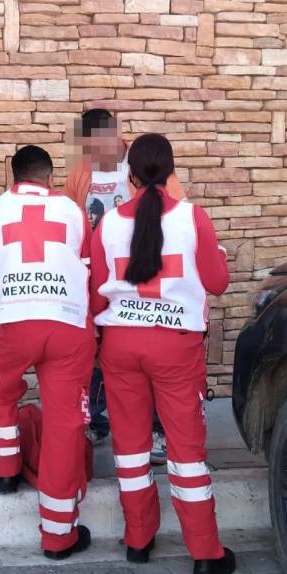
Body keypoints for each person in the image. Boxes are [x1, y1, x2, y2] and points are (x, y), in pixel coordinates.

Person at [90, 133, 236, 574]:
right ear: (170, 172)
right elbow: (218, 282)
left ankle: (138, 541)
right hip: (176, 349)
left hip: (120, 346)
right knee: (186, 452)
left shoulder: (109, 222)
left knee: (131, 449)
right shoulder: (193, 218)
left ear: (129, 174)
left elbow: (95, 290)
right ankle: (206, 554)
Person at [0, 145, 95, 560]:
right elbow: (87, 266)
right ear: (49, 175)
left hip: (17, 324)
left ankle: (5, 473)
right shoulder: (73, 210)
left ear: (14, 176)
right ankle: (59, 535)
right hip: (68, 325)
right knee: (64, 424)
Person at [65, 108, 178, 461]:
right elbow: (70, 221)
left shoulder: (144, 164)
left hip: (142, 269)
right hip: (98, 273)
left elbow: (174, 212)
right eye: (89, 145)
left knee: (150, 350)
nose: (96, 152)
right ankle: (96, 419)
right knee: (97, 343)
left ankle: (158, 429)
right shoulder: (79, 173)